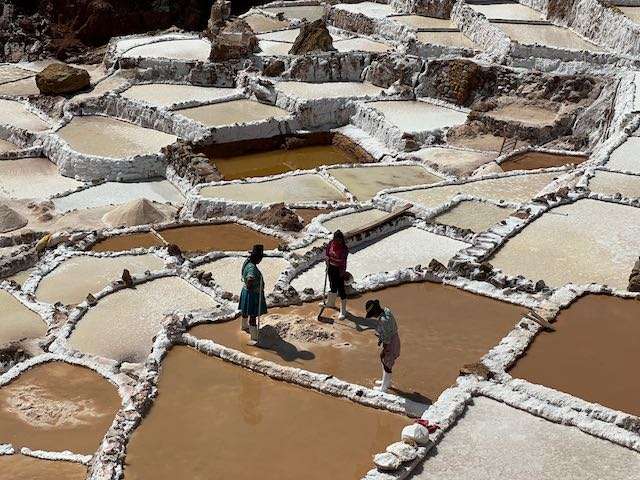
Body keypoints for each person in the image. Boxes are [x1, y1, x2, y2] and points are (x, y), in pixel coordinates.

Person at [365, 299, 401, 393]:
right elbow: (386, 333)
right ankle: (386, 382)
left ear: (376, 311)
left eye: (373, 315)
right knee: (385, 362)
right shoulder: (386, 311)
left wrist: (384, 350)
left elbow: (387, 339)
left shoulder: (384, 320)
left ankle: (384, 388)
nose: (374, 317)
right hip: (394, 339)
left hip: (391, 343)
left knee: (387, 364)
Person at [239, 244, 267, 343]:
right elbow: (250, 277)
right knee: (253, 315)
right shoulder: (252, 268)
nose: (261, 260)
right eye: (260, 258)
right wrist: (251, 286)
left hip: (246, 291)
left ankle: (244, 327)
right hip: (252, 294)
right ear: (257, 258)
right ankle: (254, 338)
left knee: (245, 311)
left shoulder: (247, 262)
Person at [325, 230, 349, 319]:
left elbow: (342, 261)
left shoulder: (344, 249)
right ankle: (331, 303)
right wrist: (327, 259)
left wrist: (331, 260)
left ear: (341, 239)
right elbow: (327, 252)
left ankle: (343, 311)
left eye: (339, 240)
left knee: (341, 289)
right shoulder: (331, 243)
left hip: (339, 270)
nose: (337, 242)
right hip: (331, 268)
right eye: (335, 240)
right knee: (332, 285)